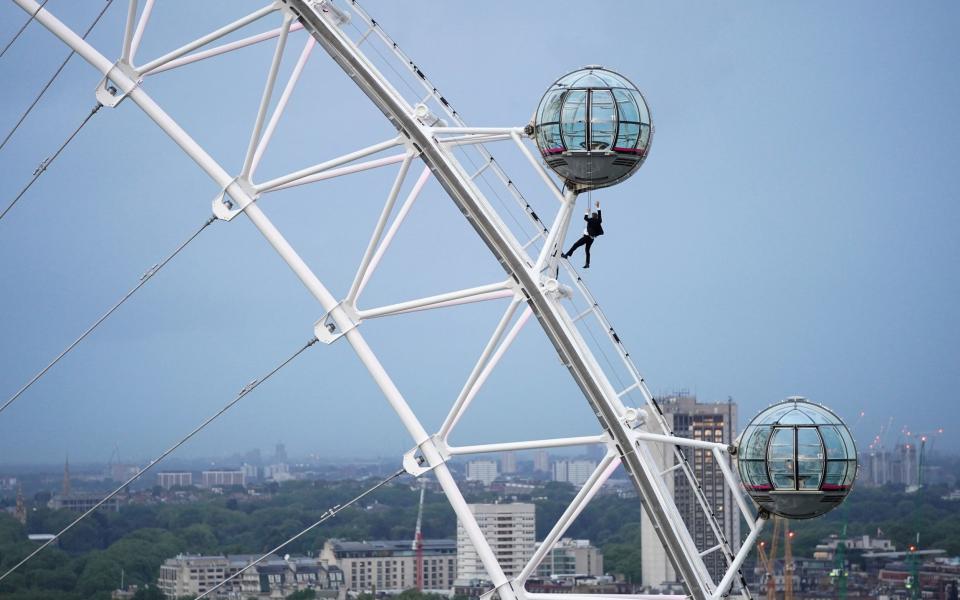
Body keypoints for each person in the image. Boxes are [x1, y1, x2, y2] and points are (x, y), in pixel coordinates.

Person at [561, 200, 603, 268]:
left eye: (592, 215)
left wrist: (587, 211)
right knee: (587, 251)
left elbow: (585, 218)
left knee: (576, 245)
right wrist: (598, 207)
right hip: (591, 239)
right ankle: (587, 264)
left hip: (586, 237)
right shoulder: (599, 221)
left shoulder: (591, 220)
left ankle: (567, 255)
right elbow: (600, 215)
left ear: (593, 216)